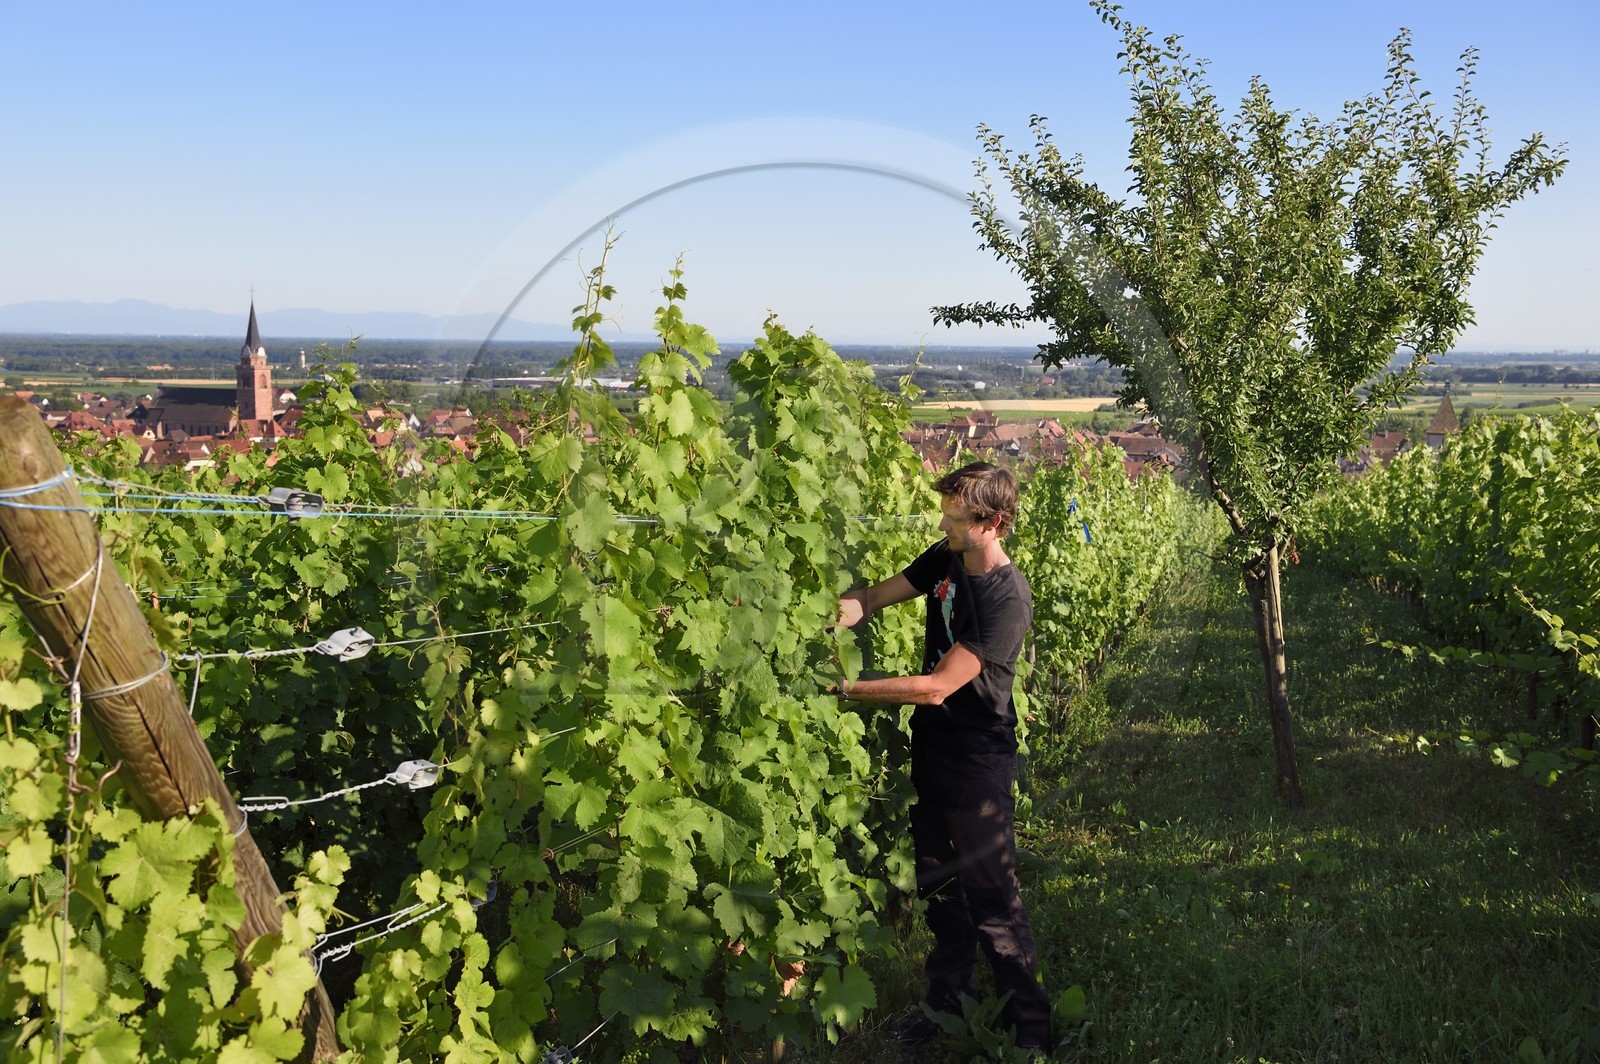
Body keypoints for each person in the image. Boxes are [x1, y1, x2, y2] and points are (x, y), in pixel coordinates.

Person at [835, 461, 1051, 1053]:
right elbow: (876, 598)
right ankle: (947, 1004)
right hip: (931, 745)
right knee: (938, 884)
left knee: (991, 894)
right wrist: (824, 616)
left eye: (956, 517)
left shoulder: (1007, 600)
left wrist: (848, 689)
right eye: (946, 513)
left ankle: (1032, 1029)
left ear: (994, 523)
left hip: (978, 760)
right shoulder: (947, 555)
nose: (944, 523)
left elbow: (936, 686)